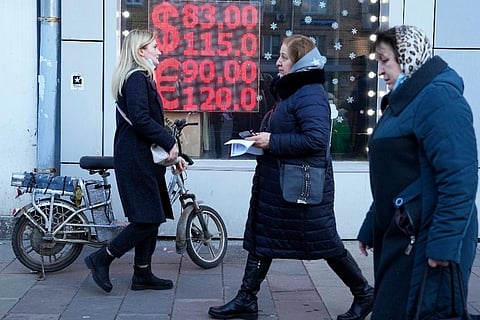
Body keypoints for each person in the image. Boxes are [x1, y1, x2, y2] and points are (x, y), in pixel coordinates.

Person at [208, 35, 374, 320]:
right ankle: (246, 298)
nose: (278, 62)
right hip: (279, 184)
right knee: (263, 240)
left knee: (326, 244)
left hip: (301, 187)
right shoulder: (294, 92)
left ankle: (364, 293)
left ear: (300, 62)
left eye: (284, 57)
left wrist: (272, 141)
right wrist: (260, 142)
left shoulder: (309, 94)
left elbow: (316, 140)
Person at [357, 25, 478, 319]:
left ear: (408, 56)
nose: (380, 71)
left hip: (427, 239)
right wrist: (372, 224)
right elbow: (397, 176)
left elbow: (459, 177)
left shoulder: (439, 98)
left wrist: (443, 244)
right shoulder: (404, 101)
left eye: (385, 61)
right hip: (403, 234)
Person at [84, 29, 186, 293]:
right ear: (141, 51)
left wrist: (172, 149)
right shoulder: (137, 78)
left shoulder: (137, 78)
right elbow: (141, 119)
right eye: (154, 46)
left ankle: (142, 274)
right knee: (148, 218)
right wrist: (169, 142)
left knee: (151, 215)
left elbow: (145, 120)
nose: (159, 49)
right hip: (136, 158)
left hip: (141, 157)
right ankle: (102, 258)